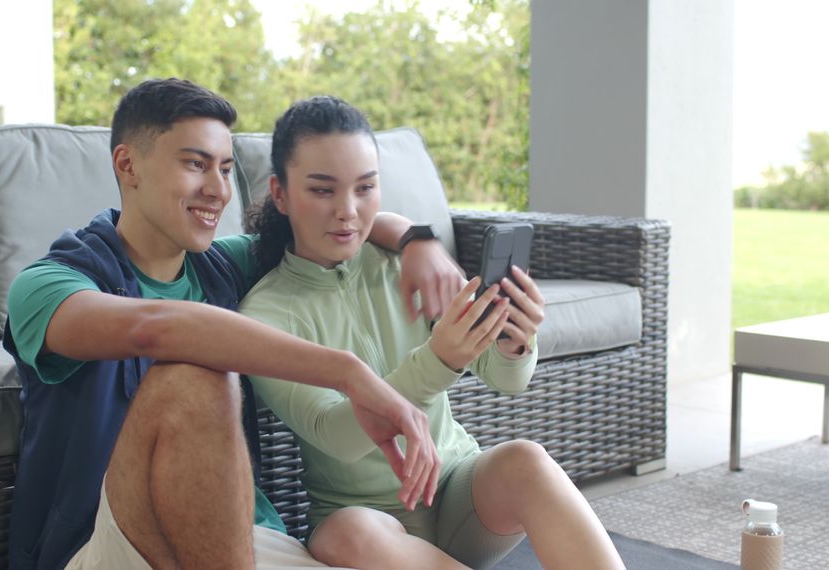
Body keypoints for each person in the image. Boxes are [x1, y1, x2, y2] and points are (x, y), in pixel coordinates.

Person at [2, 78, 466, 569]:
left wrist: (419, 241)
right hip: (109, 546)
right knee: (196, 376)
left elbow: (331, 224)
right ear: (127, 164)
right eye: (195, 164)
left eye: (225, 168)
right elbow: (157, 328)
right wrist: (348, 373)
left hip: (248, 540)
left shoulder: (223, 267)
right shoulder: (47, 286)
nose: (218, 190)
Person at [240, 96, 626, 570]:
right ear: (280, 194)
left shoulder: (405, 263)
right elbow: (335, 435)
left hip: (460, 494)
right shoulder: (265, 314)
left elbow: (507, 380)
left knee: (527, 460)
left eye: (365, 188)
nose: (348, 211)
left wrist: (514, 342)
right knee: (347, 534)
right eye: (323, 190)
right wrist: (438, 362)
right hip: (371, 525)